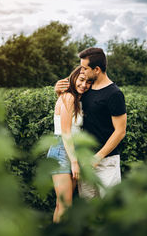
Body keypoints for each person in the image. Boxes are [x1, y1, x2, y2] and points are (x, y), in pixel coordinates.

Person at [55, 47, 127, 199]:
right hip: (85, 161)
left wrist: (97, 157)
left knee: (110, 208)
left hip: (106, 162)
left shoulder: (114, 94)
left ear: (97, 69)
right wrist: (58, 93)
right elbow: (68, 108)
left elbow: (120, 131)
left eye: (85, 68)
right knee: (88, 210)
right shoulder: (86, 89)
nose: (82, 71)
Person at [47, 65, 92, 223]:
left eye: (88, 82)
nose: (84, 85)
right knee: (65, 207)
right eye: (81, 80)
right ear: (73, 78)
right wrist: (74, 162)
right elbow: (66, 133)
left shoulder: (76, 99)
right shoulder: (69, 97)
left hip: (70, 150)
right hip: (62, 151)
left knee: (62, 205)